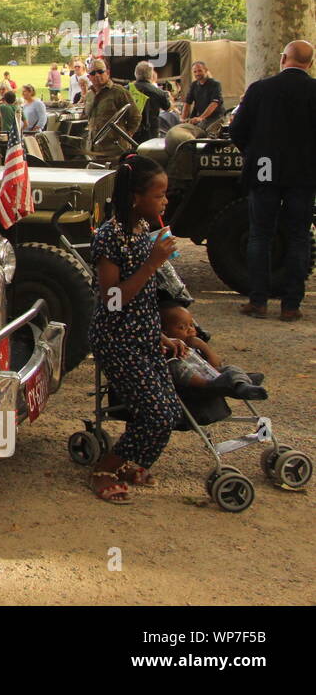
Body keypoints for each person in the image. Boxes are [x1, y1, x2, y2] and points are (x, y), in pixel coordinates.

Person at [87, 154, 183, 503]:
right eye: (159, 196)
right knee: (155, 412)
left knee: (170, 411)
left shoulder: (144, 231)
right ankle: (104, 468)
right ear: (135, 198)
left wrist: (159, 334)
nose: (165, 201)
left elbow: (143, 300)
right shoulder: (111, 236)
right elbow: (112, 300)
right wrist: (152, 263)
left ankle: (133, 461)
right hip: (117, 339)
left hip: (142, 335)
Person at [229, 38, 316, 321]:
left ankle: (258, 300)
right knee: (298, 237)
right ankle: (291, 304)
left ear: (283, 59)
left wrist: (254, 155)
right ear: (310, 63)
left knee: (260, 235)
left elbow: (237, 130)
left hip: (264, 169)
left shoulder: (261, 89)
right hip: (303, 174)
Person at [159, 305, 266, 401]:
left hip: (211, 375)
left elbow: (216, 364)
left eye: (191, 325)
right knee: (175, 364)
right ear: (164, 333)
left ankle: (241, 384)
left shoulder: (194, 346)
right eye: (182, 327)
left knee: (230, 369)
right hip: (195, 387)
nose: (190, 330)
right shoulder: (165, 351)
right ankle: (240, 382)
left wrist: (202, 345)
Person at [84, 59, 136, 164]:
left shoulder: (119, 91)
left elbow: (135, 116)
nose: (97, 75)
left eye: (100, 71)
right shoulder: (89, 95)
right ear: (89, 77)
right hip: (94, 150)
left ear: (107, 73)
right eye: (93, 73)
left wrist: (126, 136)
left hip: (115, 150)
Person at [131, 60, 171, 143]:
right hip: (150, 133)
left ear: (136, 73)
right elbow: (167, 107)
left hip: (130, 131)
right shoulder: (158, 92)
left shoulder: (126, 89)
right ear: (151, 75)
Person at [181, 60, 224, 129]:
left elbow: (214, 103)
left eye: (199, 71)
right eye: (195, 72)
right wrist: (183, 118)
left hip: (214, 117)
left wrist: (201, 117)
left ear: (206, 70)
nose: (197, 73)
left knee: (200, 129)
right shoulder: (193, 85)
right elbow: (187, 103)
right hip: (199, 117)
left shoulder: (215, 84)